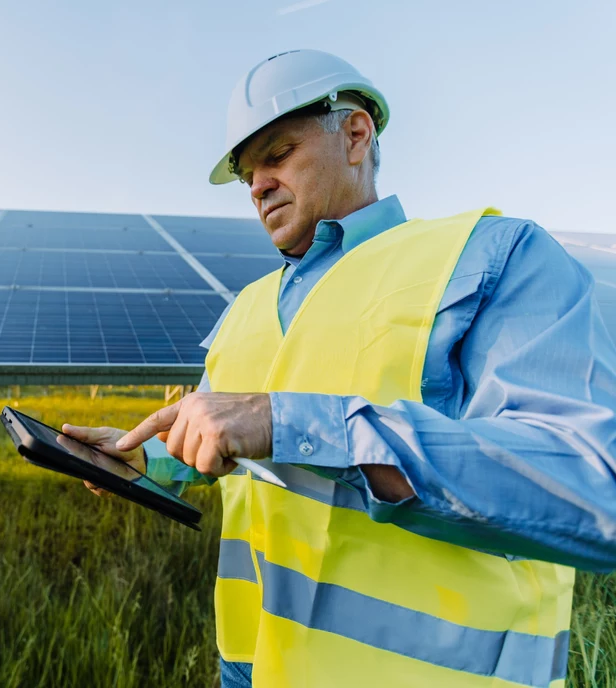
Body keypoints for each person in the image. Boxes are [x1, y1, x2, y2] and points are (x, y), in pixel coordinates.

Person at [63, 49, 616, 688]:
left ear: (356, 134)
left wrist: (293, 422)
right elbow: (222, 448)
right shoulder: (244, 309)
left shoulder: (489, 258)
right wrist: (147, 460)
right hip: (249, 666)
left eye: (277, 155)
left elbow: (593, 483)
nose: (257, 186)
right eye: (247, 174)